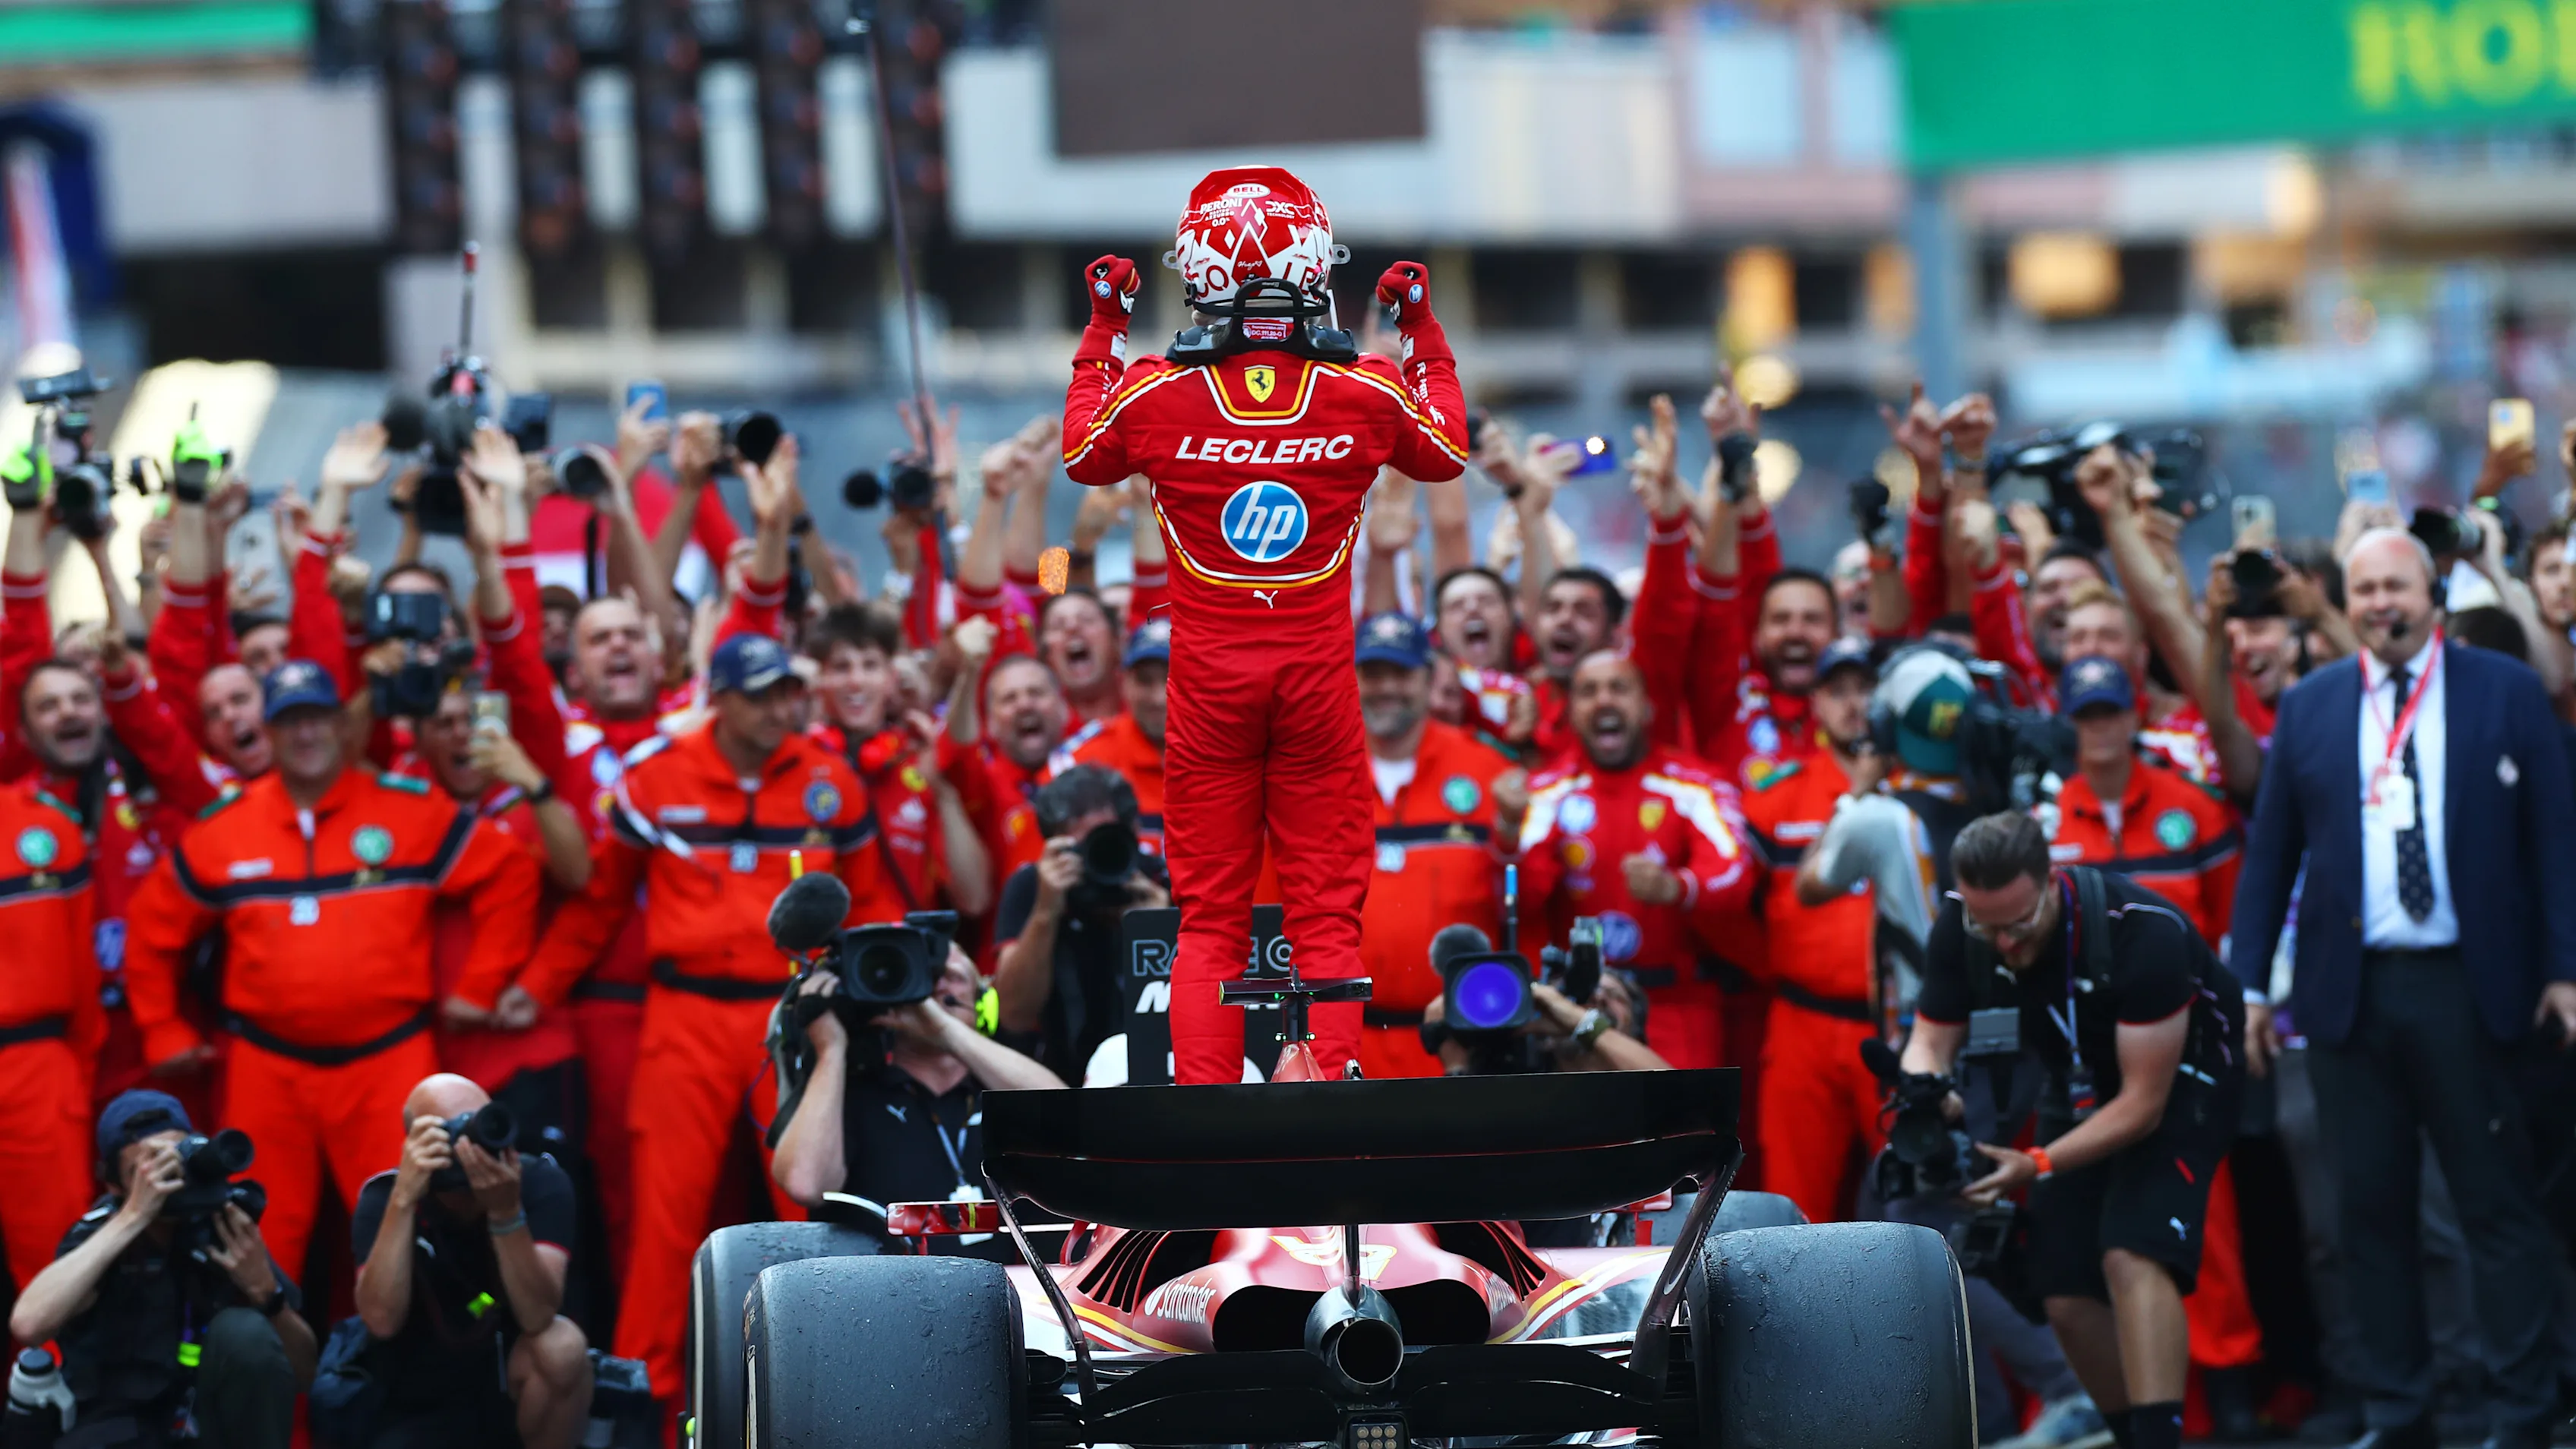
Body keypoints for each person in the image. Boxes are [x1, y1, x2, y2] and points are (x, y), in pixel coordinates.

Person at [1060, 165, 1469, 1084]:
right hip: (1318, 691)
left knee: (1207, 917)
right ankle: (1321, 1102)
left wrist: (1102, 326)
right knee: (1324, 917)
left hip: (1207, 694)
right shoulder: (1364, 391)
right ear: (1315, 262)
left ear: (1199, 271)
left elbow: (1081, 453)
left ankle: (1211, 1128)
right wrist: (1419, 333)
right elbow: (1445, 450)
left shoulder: (1153, 394)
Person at [2231, 527, 2576, 1449]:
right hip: (2348, 998)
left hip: (2471, 989)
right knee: (2367, 1215)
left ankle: (2519, 1411)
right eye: (2364, 589)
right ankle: (2396, 1411)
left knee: (2494, 1211)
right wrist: (2249, 990)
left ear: (2429, 593)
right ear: (2345, 602)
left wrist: (2563, 970)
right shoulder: (2307, 707)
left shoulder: (2502, 690)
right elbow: (2269, 859)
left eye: (2396, 586)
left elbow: (2556, 840)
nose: (2380, 603)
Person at [507, 632, 904, 1401]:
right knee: (663, 1227)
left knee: (810, 1214)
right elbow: (599, 905)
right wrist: (537, 983)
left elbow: (873, 904)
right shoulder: (655, 782)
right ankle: (641, 1407)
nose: (776, 708)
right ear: (715, 700)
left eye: (785, 692)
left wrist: (900, 996)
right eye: (757, 695)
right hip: (682, 1018)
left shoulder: (830, 782)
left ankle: (829, 1394)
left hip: (789, 1016)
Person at [120, 659, 542, 1282]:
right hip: (269, 1066)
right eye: (290, 722)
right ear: (269, 731)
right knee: (253, 1235)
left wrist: (481, 985)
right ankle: (274, 1377)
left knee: (407, 1231)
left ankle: (400, 1378)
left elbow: (510, 873)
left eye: (318, 718)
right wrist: (163, 1029)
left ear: (344, 727)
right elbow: (152, 930)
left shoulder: (407, 812)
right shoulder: (225, 829)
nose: (306, 735)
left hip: (388, 1060)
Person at [1908, 813, 2245, 1449]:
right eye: (1988, 927)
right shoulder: (1963, 924)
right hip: (2079, 1074)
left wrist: (2036, 1162)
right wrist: (1927, 1090)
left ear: (2051, 881)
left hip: (2184, 1078)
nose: (2004, 943)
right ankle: (2126, 1434)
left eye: (2019, 924)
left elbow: (2144, 1105)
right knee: (2060, 1285)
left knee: (2131, 1250)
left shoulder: (2143, 933)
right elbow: (1929, 1039)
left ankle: (2158, 1442)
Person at [11, 1091, 317, 1449]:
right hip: (113, 1431)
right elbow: (28, 1324)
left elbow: (307, 1373)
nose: (168, 1177)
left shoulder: (221, 1226)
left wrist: (268, 1295)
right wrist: (133, 1216)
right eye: (148, 1168)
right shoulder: (101, 1234)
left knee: (246, 1333)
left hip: (202, 1425)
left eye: (175, 1159)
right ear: (115, 1186)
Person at [1514, 652, 1757, 1070]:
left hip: (1677, 1008)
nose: (1604, 701)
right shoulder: (1543, 791)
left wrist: (1676, 887)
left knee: (1686, 1132)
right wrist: (1505, 828)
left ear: (1647, 707)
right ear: (1571, 711)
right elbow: (1523, 896)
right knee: (1584, 1137)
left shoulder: (1696, 784)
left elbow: (1736, 873)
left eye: (1619, 688)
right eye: (1589, 691)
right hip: (1575, 1008)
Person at [349, 1074, 592, 1449]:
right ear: (415, 1143)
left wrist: (506, 1214)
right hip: (417, 1399)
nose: (467, 1144)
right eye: (449, 1133)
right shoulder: (385, 1199)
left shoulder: (538, 1182)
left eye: (477, 1124)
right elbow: (380, 1320)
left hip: (512, 1380)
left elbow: (538, 1314)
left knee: (562, 1346)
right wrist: (404, 1200)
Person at [769, 941, 1065, 1242]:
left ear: (983, 1003)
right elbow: (805, 1184)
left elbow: (1066, 1119)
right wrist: (831, 1049)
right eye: (922, 974)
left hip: (1007, 1286)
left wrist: (944, 1030)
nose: (933, 986)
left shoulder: (1007, 1089)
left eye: (950, 975)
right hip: (881, 1286)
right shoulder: (847, 1095)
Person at [1738, 639, 1889, 1223]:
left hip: (1900, 1029)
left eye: (1867, 689)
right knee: (1796, 1216)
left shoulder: (1924, 787)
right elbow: (1729, 910)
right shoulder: (1779, 796)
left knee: (1919, 1208)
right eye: (1839, 691)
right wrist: (1775, 963)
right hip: (1802, 1022)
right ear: (1817, 704)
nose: (1855, 705)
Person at [1349, 612, 1522, 1079]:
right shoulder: (1313, 774)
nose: (1386, 687)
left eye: (1402, 674)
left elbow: (1533, 896)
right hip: (1343, 1044)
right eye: (1372, 674)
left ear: (1431, 679)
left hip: (1464, 1043)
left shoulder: (1489, 771)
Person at [991, 766, 1173, 1083]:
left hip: (1159, 1078)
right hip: (1062, 1086)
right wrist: (1046, 912)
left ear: (1132, 831)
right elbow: (1012, 1015)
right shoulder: (1032, 887)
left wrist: (1158, 928)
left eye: (1106, 843)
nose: (1095, 860)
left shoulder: (1159, 882)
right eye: (1081, 850)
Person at [2047, 655, 2240, 946]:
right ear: (2069, 725)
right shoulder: (2049, 816)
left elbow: (2230, 918)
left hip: (2185, 984)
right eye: (2087, 715)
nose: (2100, 726)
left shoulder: (2192, 804)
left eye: (2110, 711)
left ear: (2134, 717)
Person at [0, 756, 103, 1295]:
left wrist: (75, 1077)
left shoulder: (47, 828)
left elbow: (85, 978)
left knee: (55, 1265)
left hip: (35, 1066)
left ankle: (54, 1379)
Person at [1049, 620, 1170, 854]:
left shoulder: (1232, 754)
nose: (1159, 698)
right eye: (1145, 681)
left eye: (1172, 677)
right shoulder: (1081, 760)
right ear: (1123, 682)